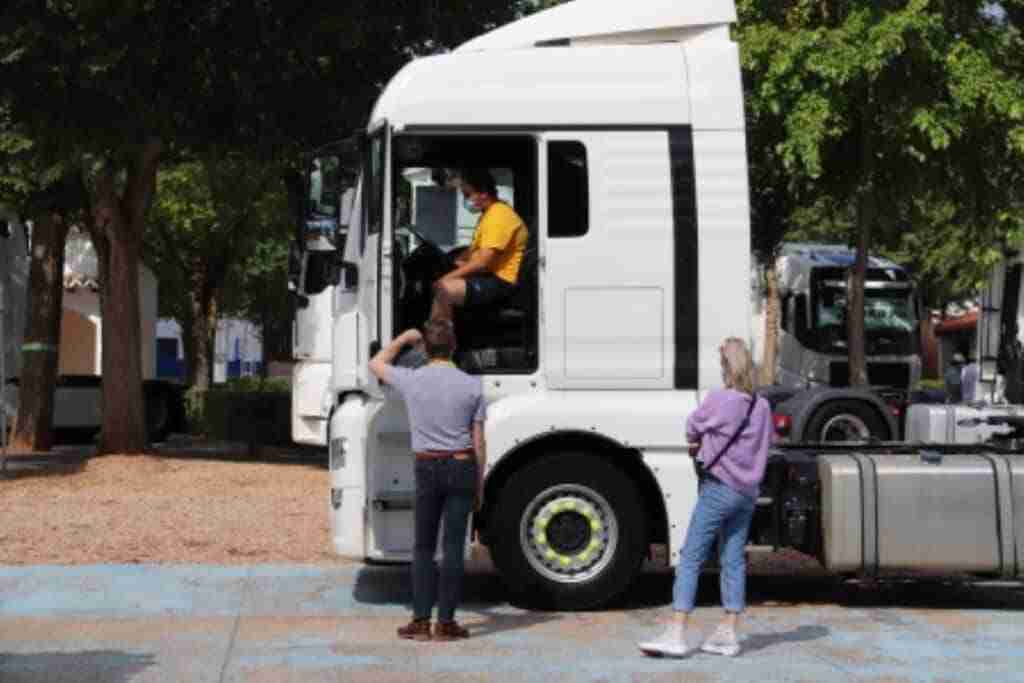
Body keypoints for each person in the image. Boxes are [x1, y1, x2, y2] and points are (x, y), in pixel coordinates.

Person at [638, 337, 774, 659]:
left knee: (691, 557)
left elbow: (692, 426)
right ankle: (728, 632)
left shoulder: (719, 399)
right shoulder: (762, 405)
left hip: (718, 488)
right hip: (747, 493)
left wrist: (701, 441)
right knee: (733, 560)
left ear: (727, 367)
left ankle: (677, 631)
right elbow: (765, 445)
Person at [368, 319, 486, 641]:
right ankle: (446, 624)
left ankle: (420, 621)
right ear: (454, 347)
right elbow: (478, 442)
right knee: (452, 548)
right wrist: (480, 484)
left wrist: (404, 337)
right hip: (462, 466)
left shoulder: (411, 379)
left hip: (427, 467)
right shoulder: (473, 385)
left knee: (422, 547)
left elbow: (375, 363)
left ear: (425, 349)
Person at [430, 168, 528, 321]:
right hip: (490, 276)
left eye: (468, 195)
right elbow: (473, 250)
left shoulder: (499, 216)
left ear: (483, 192)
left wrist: (445, 278)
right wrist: (453, 262)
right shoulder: (488, 214)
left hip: (502, 282)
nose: (466, 200)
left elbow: (482, 263)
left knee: (444, 289)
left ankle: (441, 342)